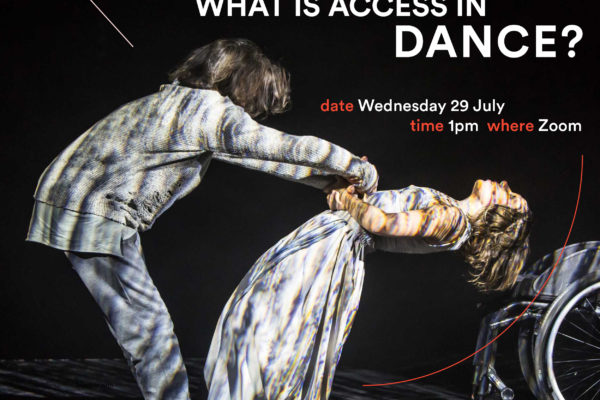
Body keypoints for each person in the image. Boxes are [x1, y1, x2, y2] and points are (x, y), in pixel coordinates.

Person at [25, 39, 378, 400]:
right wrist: (356, 167)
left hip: (70, 199)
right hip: (89, 210)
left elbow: (255, 156)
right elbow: (284, 146)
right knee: (149, 329)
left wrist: (328, 181)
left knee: (142, 325)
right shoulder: (208, 112)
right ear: (245, 83)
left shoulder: (178, 103)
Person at [204, 179, 531, 399]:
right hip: (333, 243)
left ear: (498, 214)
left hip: (331, 250)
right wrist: (358, 193)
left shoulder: (453, 220)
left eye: (510, 196)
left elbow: (381, 223)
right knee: (266, 321)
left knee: (270, 325)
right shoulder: (453, 216)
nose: (504, 185)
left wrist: (347, 200)